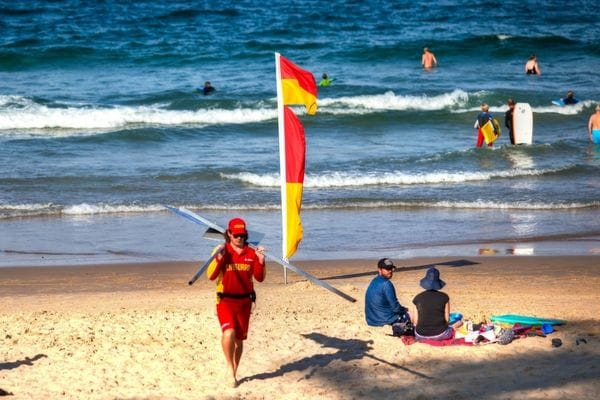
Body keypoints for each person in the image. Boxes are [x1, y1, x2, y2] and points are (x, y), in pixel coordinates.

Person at [207, 217, 266, 387]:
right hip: (225, 300)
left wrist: (261, 261)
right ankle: (228, 366)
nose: (239, 238)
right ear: (229, 234)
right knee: (228, 332)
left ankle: (234, 370)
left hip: (244, 302)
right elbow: (210, 276)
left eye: (242, 235)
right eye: (236, 235)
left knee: (239, 340)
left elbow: (259, 278)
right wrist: (219, 259)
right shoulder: (221, 250)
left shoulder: (251, 252)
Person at [411, 267, 462, 341]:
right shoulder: (444, 297)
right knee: (459, 322)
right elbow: (447, 320)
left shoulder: (417, 298)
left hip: (420, 335)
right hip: (440, 334)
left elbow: (415, 321)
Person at [365, 258, 411, 334]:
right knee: (412, 314)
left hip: (371, 320)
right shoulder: (387, 284)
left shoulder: (374, 281)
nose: (391, 271)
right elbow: (396, 308)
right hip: (384, 321)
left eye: (392, 268)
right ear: (379, 270)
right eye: (387, 269)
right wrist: (405, 310)